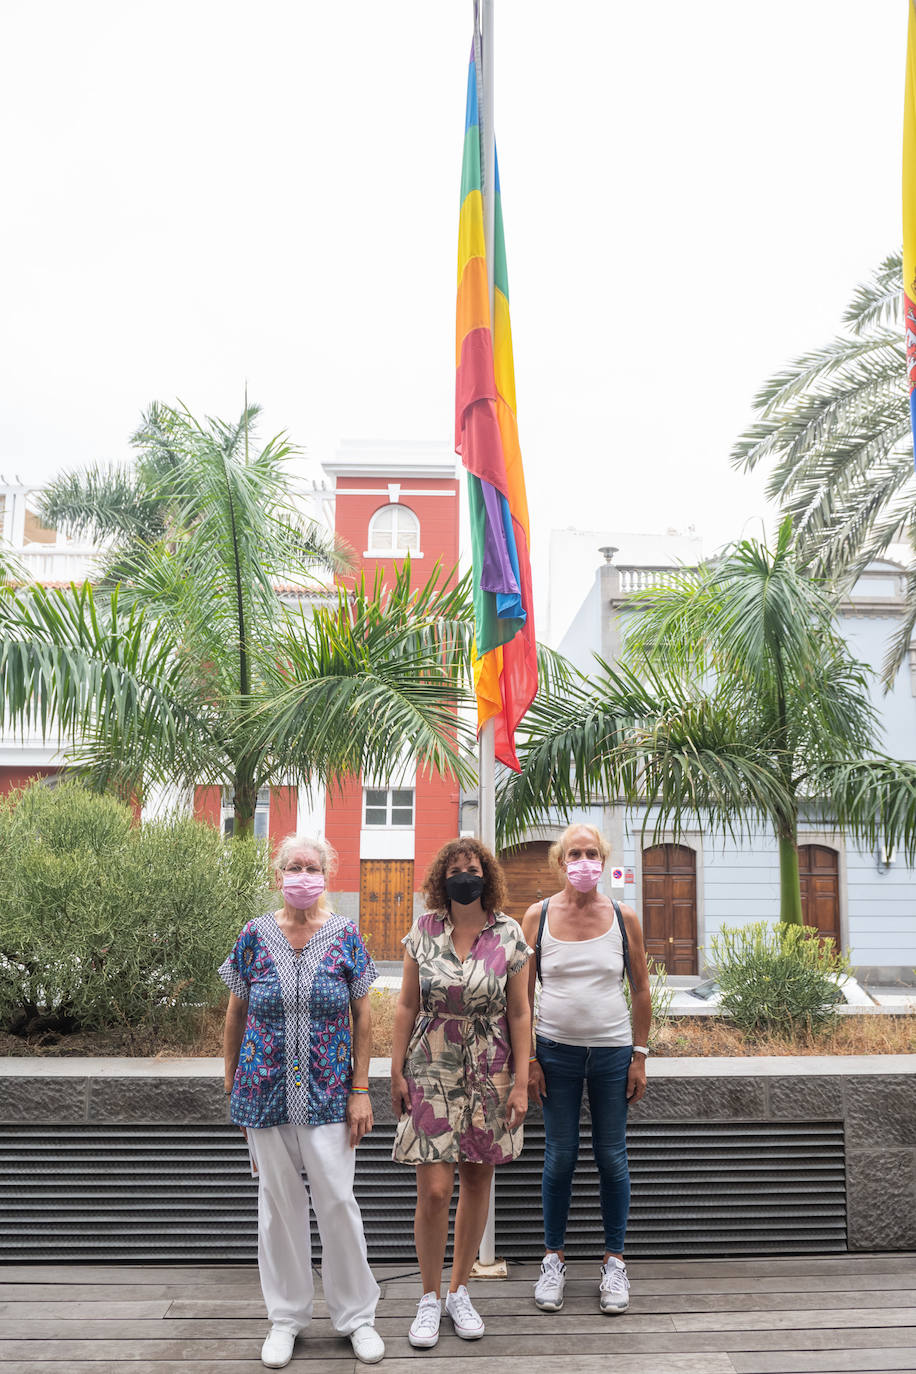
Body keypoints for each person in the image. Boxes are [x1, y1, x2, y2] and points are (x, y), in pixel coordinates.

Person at [220, 834, 384, 1369]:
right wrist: (231, 1087)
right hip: (263, 1094)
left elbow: (364, 1018)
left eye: (311, 867)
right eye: (293, 866)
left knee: (337, 1202)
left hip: (332, 1094)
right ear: (278, 875)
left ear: (326, 875)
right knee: (278, 1210)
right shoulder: (254, 935)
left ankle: (357, 1317)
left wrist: (361, 1089)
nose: (301, 875)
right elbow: (235, 1015)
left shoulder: (344, 936)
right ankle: (286, 1319)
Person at [390, 837, 531, 1349]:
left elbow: (519, 1012)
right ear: (440, 878)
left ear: (486, 875)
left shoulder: (510, 932)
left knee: (476, 1182)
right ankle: (428, 1297)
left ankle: (459, 1290)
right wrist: (395, 1070)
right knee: (434, 1190)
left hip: (491, 1065)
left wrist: (520, 1081)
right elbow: (406, 1004)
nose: (464, 876)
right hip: (431, 1062)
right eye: (455, 869)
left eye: (473, 868)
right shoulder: (424, 929)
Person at [520, 823, 651, 1317]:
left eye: (591, 853)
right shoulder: (537, 916)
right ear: (560, 862)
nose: (583, 862)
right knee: (560, 1158)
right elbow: (523, 996)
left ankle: (614, 1261)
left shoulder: (624, 916)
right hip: (556, 1054)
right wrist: (530, 1058)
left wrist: (640, 1054)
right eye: (574, 853)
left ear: (603, 859)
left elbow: (640, 989)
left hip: (614, 1054)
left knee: (612, 1159)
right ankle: (553, 1258)